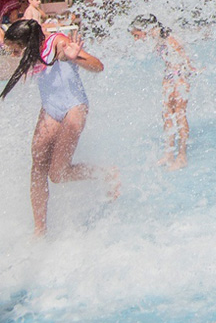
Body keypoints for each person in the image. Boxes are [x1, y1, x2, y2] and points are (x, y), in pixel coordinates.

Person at [0, 19, 118, 236]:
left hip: (74, 108)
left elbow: (98, 66)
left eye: (16, 49)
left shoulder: (59, 42)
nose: (14, 54)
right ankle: (40, 229)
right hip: (50, 110)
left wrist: (74, 58)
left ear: (27, 43)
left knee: (58, 173)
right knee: (37, 168)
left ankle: (106, 173)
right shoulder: (32, 49)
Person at [130, 15, 195, 169]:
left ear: (145, 29)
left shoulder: (171, 39)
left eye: (136, 35)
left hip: (179, 77)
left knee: (179, 114)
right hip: (169, 77)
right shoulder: (158, 39)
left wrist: (187, 73)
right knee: (166, 115)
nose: (136, 40)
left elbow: (186, 60)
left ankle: (182, 156)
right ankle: (168, 153)